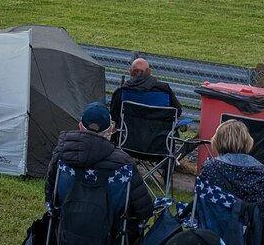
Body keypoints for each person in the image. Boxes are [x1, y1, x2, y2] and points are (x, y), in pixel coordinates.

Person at [44, 102, 153, 243]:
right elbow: (144, 210)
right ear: (111, 130)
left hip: (65, 232)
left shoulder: (62, 154)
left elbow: (50, 197)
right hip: (110, 234)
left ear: (80, 126)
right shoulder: (125, 163)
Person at [194, 120, 264, 241]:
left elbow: (201, 205)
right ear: (248, 142)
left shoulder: (210, 168)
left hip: (215, 235)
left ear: (217, 140)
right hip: (254, 236)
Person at [109, 57, 182, 128]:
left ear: (130, 72)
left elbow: (114, 116)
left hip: (127, 137)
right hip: (159, 137)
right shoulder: (164, 90)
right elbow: (177, 112)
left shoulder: (121, 92)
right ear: (149, 71)